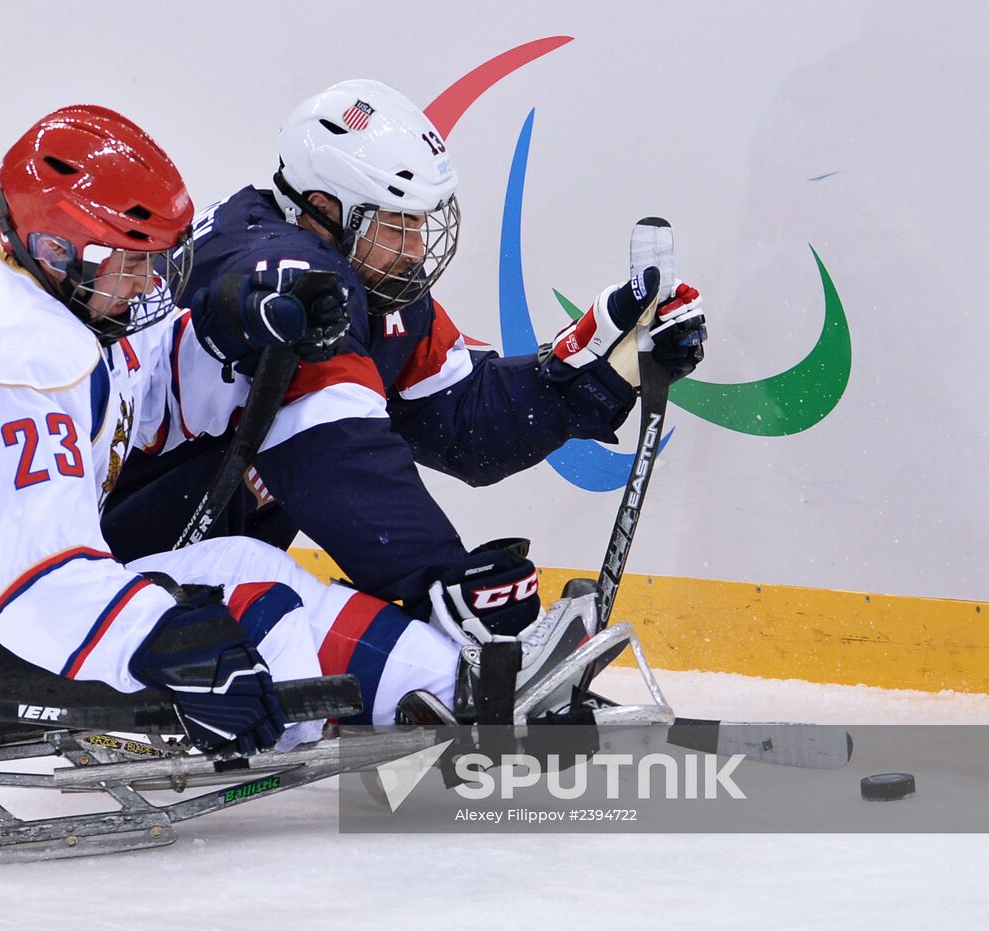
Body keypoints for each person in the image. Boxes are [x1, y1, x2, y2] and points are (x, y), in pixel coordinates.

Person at [0, 105, 587, 760]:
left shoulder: (13, 270)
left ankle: (462, 688)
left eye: (160, 261)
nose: (151, 285)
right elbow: (40, 594)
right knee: (249, 602)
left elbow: (132, 400)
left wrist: (223, 326)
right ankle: (450, 696)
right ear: (58, 249)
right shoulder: (19, 361)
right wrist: (164, 640)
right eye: (132, 264)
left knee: (245, 567)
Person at [100, 79, 708, 615]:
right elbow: (335, 455)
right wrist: (444, 582)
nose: (416, 249)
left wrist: (598, 365)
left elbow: (463, 423)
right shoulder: (285, 276)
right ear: (322, 210)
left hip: (194, 566)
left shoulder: (361, 279)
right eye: (397, 224)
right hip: (102, 560)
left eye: (420, 224)